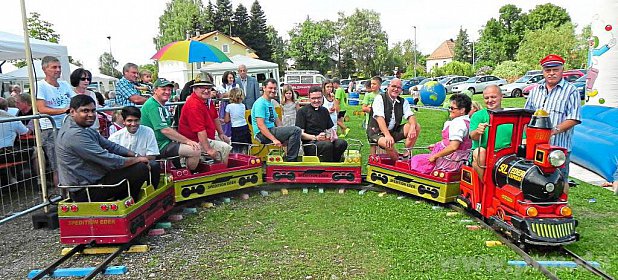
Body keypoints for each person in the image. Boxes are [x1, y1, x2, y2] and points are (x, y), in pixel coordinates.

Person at [56, 95, 151, 202]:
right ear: (72, 112)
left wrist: (136, 155)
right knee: (139, 169)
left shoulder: (82, 127)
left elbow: (110, 146)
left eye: (93, 110)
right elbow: (109, 160)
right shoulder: (74, 135)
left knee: (144, 164)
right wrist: (138, 160)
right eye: (85, 111)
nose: (91, 115)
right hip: (86, 190)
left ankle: (128, 200)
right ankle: (129, 203)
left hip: (93, 180)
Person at [524, 54, 581, 193]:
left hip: (559, 148)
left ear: (562, 70)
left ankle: (562, 210)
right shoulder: (535, 90)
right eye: (547, 70)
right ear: (543, 71)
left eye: (555, 70)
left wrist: (553, 130)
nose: (551, 73)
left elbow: (574, 118)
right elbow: (527, 114)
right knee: (534, 179)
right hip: (535, 146)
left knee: (560, 180)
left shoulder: (571, 91)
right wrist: (527, 135)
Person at [140, 78, 201, 171]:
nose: (167, 92)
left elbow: (168, 129)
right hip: (158, 146)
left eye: (169, 90)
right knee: (195, 150)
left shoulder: (159, 104)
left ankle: (182, 172)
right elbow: (165, 130)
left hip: (163, 143)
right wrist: (187, 141)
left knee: (195, 146)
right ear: (155, 90)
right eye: (164, 89)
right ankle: (189, 176)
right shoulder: (153, 106)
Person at [36, 56, 75, 187]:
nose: (58, 70)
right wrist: (64, 110)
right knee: (58, 164)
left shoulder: (64, 84)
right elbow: (41, 108)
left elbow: (75, 100)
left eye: (59, 67)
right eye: (54, 67)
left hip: (68, 127)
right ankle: (62, 196)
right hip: (51, 129)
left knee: (72, 161)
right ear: (44, 69)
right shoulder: (40, 86)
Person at [410, 94, 472, 173]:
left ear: (462, 110)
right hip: (460, 159)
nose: (449, 110)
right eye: (449, 107)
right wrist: (437, 145)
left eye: (452, 108)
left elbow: (453, 147)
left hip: (450, 161)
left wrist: (435, 156)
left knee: (416, 159)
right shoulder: (468, 122)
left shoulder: (458, 123)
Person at [178, 79, 232, 164]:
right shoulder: (193, 105)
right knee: (224, 148)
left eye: (209, 88)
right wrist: (209, 149)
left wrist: (221, 133)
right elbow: (200, 131)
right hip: (194, 140)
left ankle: (218, 168)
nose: (206, 90)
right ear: (194, 89)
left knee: (227, 141)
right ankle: (223, 172)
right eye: (202, 87)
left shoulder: (207, 101)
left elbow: (215, 117)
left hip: (206, 136)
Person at [367, 78, 421, 161]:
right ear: (388, 87)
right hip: (377, 132)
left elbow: (410, 115)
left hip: (393, 131)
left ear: (401, 90)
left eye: (398, 88)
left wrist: (413, 127)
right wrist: (387, 135)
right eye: (393, 86)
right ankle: (398, 164)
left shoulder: (403, 101)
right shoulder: (379, 98)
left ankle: (407, 154)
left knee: (416, 126)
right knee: (388, 143)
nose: (396, 89)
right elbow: (379, 118)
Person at [108, 106, 161, 188]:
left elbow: (152, 156)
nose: (133, 124)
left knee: (154, 165)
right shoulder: (115, 137)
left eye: (136, 120)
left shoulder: (148, 131)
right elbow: (114, 160)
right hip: (125, 167)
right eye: (129, 121)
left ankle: (153, 190)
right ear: (124, 122)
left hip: (146, 164)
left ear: (140, 120)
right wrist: (137, 160)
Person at [251, 79, 302, 162]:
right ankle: (291, 161)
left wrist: (285, 137)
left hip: (271, 130)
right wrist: (274, 139)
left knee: (294, 131)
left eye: (275, 88)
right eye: (270, 88)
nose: (273, 90)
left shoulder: (270, 103)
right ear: (264, 88)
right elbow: (260, 125)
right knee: (296, 130)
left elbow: (278, 121)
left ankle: (288, 157)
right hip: (262, 134)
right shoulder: (260, 103)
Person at [469, 85, 512, 180]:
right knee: (479, 152)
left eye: (493, 97)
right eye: (486, 98)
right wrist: (478, 131)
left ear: (502, 96)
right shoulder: (478, 115)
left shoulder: (510, 115)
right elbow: (473, 136)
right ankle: (486, 183)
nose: (489, 100)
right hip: (485, 154)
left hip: (507, 154)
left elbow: (523, 138)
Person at [296, 86, 348, 162]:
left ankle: (335, 163)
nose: (316, 100)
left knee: (342, 143)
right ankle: (328, 166)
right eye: (313, 98)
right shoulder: (302, 111)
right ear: (309, 98)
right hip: (310, 143)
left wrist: (329, 136)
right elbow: (300, 133)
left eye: (319, 98)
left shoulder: (324, 110)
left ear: (322, 97)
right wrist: (316, 137)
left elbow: (329, 129)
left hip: (324, 141)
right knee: (327, 145)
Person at [0, 98, 29, 165]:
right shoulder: (13, 119)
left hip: (6, 153)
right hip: (7, 153)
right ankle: (39, 174)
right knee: (36, 151)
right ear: (7, 108)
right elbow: (25, 132)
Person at [224, 88, 252, 153]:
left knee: (236, 147)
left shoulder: (229, 106)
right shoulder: (243, 105)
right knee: (245, 145)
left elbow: (226, 120)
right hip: (244, 127)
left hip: (236, 128)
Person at [217, 71, 239, 137]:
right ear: (226, 78)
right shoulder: (221, 86)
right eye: (230, 78)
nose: (231, 79)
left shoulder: (236, 85)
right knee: (224, 121)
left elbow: (235, 94)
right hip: (224, 106)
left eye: (232, 78)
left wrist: (225, 94)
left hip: (234, 105)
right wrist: (229, 93)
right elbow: (220, 96)